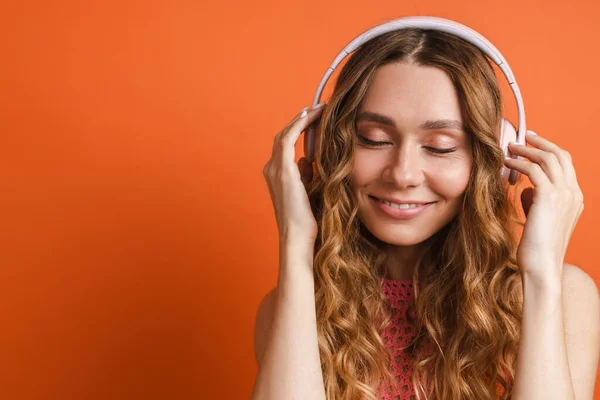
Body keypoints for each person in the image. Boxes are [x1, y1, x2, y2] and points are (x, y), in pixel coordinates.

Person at [252, 27, 592, 400]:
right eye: (374, 139)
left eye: (440, 147)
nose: (402, 174)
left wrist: (541, 275)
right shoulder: (290, 306)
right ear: (327, 149)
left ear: (491, 160)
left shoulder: (563, 296)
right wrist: (296, 246)